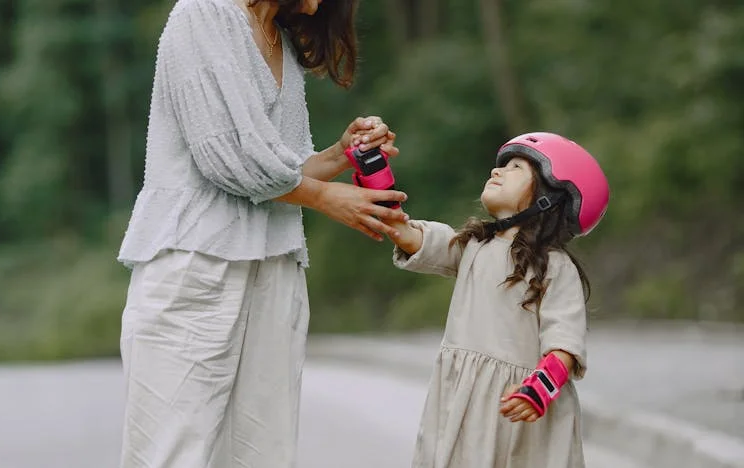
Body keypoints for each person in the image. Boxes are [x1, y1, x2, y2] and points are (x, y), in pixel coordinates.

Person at [115, 0, 409, 466]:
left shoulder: (279, 38)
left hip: (274, 268)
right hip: (197, 261)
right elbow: (225, 157)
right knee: (169, 452)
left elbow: (282, 169)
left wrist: (340, 154)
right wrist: (326, 199)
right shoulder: (201, 14)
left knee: (264, 454)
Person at [384, 132, 610, 468]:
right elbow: (415, 237)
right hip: (464, 400)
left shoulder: (554, 267)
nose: (497, 171)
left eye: (516, 167)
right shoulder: (474, 246)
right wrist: (380, 193)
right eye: (501, 165)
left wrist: (540, 389)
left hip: (522, 407)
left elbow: (564, 339)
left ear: (551, 198)